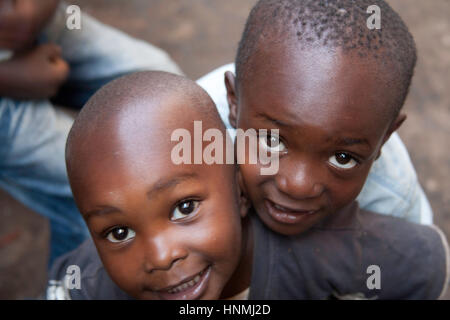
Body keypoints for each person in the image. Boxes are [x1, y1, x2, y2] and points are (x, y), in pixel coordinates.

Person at [47, 71, 448, 300]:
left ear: (240, 190)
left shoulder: (328, 248)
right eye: (118, 232)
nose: (160, 255)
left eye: (184, 207)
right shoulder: (97, 284)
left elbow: (427, 265)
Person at [197, 0, 433, 232]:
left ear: (386, 137)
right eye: (271, 141)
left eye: (343, 158)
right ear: (234, 102)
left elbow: (416, 259)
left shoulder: (393, 195)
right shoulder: (192, 128)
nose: (298, 186)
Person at [0, 0, 182, 264]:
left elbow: (24, 17)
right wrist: (8, 77)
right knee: (94, 195)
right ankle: (67, 288)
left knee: (168, 88)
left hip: (42, 23)